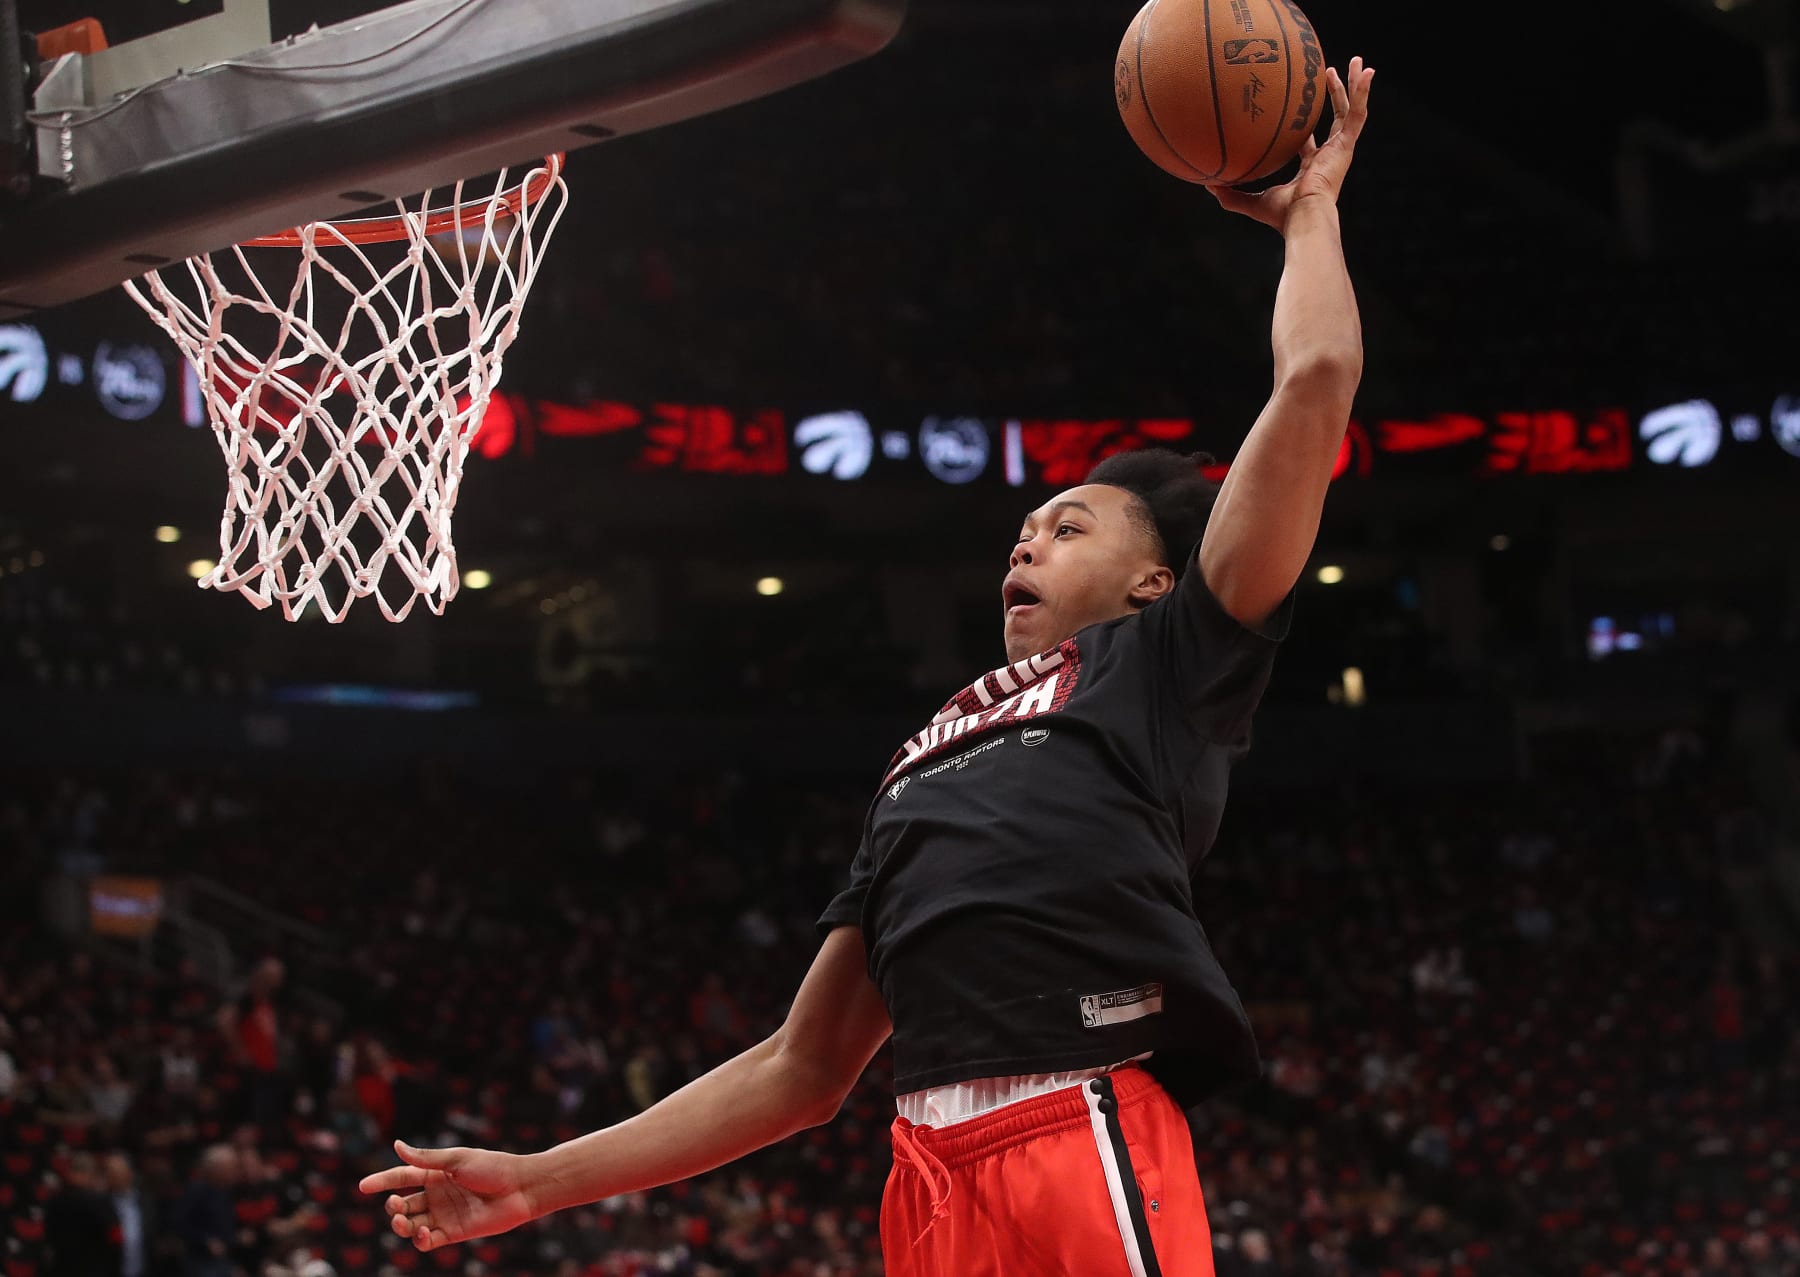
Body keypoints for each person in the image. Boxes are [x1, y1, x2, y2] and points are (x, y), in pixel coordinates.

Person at [359, 58, 1376, 1277]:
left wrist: (1309, 211)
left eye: (1069, 524)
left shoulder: (1165, 659)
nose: (1026, 536)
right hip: (927, 1165)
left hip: (1080, 1109)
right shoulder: (922, 755)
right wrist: (539, 1179)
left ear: (1158, 579)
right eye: (1024, 527)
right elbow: (800, 1066)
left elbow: (1314, 385)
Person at [44, 1151, 121, 1277]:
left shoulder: (55, 1201)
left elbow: (48, 1237)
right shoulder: (100, 1202)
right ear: (91, 1174)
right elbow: (116, 1239)